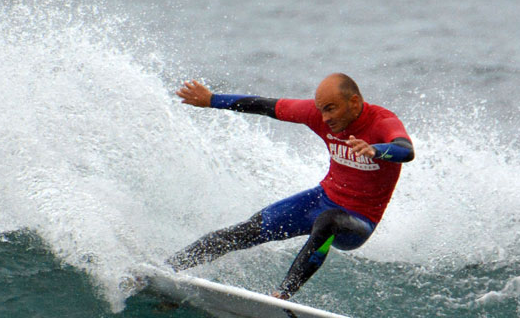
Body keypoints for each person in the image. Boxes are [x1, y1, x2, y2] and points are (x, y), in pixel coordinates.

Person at [168, 73, 415, 299]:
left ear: (354, 102)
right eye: (321, 110)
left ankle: (283, 295)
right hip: (320, 199)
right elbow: (265, 106)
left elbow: (405, 150)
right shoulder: (318, 115)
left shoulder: (382, 122)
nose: (325, 117)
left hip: (356, 222)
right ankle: (168, 267)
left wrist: (375, 150)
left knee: (329, 222)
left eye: (331, 109)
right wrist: (211, 99)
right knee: (246, 231)